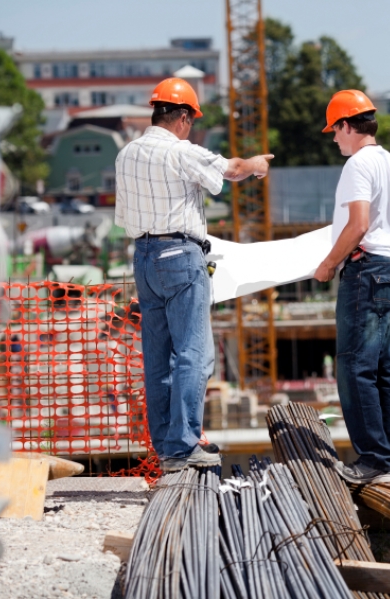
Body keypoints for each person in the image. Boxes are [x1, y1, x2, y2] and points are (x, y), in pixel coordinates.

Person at [115, 77, 273, 472]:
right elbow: (231, 169)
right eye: (192, 120)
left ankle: (168, 449)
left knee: (157, 356)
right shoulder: (179, 151)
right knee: (194, 354)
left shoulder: (126, 154)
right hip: (180, 256)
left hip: (144, 258)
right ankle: (185, 443)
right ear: (183, 117)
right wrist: (255, 165)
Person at [313, 90, 390, 484]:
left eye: (335, 131)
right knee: (382, 366)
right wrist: (387, 233)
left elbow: (358, 224)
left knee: (354, 365)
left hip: (365, 271)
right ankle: (389, 462)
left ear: (347, 125)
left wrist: (329, 264)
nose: (334, 139)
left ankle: (375, 460)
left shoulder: (358, 165)